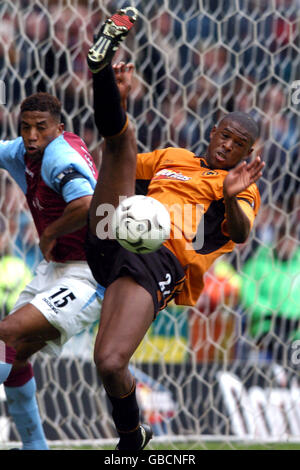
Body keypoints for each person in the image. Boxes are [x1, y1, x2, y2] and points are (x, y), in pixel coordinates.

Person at [85, 7, 264, 451]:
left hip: (158, 256)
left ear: (246, 153)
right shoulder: (174, 158)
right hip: (114, 229)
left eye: (237, 144)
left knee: (108, 361)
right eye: (224, 136)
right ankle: (102, 72)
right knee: (120, 143)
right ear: (212, 131)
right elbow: (118, 170)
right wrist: (120, 105)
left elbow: (239, 234)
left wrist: (228, 198)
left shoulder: (238, 187)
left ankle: (132, 439)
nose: (227, 146)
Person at [0, 92, 104, 450]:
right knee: (14, 355)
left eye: (41, 128)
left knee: (5, 336)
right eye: (25, 127)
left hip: (89, 273)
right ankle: (36, 446)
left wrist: (49, 232)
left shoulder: (59, 154)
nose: (32, 136)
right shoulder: (21, 151)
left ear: (58, 129)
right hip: (56, 268)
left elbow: (86, 205)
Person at [240, 218, 300, 362]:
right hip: (266, 326)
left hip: (296, 328)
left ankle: (291, 378)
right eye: (283, 238)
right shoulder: (259, 262)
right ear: (276, 239)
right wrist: (271, 311)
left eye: (291, 239)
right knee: (275, 346)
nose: (287, 244)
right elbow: (247, 292)